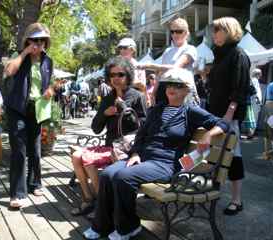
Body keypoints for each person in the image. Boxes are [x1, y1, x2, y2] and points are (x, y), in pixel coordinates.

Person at [83, 68, 229, 240]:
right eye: (169, 84)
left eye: (178, 85)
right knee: (108, 174)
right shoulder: (158, 109)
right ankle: (101, 226)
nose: (171, 88)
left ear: (187, 89)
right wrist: (135, 153)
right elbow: (141, 135)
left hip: (165, 164)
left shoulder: (190, 111)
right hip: (143, 158)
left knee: (123, 177)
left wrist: (208, 135)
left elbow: (223, 124)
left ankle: (129, 227)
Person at [70, 56, 147, 216]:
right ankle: (89, 199)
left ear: (128, 75)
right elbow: (96, 128)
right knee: (77, 155)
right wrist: (104, 113)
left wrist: (123, 107)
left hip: (126, 148)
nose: (116, 78)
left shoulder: (137, 96)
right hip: (109, 145)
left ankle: (102, 205)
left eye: (120, 74)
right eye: (112, 75)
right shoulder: (107, 98)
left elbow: (143, 127)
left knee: (88, 161)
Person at [4, 22, 55, 208]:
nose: (38, 43)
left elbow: (50, 83)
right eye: (35, 40)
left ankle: (35, 183)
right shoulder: (19, 56)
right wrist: (24, 52)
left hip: (37, 108)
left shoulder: (48, 61)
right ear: (27, 40)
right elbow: (9, 72)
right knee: (19, 149)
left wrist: (50, 90)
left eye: (42, 40)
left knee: (35, 148)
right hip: (17, 108)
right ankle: (17, 193)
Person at [207, 17, 251, 215]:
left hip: (228, 116)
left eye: (218, 30)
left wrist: (228, 115)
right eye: (214, 30)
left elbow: (239, 89)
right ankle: (212, 191)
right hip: (215, 113)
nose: (214, 34)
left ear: (229, 31)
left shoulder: (238, 54)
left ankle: (237, 200)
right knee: (214, 155)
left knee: (234, 156)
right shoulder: (220, 54)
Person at [138, 17, 199, 105]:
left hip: (185, 93)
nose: (175, 34)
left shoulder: (190, 49)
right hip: (168, 93)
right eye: (172, 31)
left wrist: (150, 65)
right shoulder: (167, 51)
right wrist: (153, 93)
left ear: (186, 33)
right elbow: (160, 74)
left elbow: (175, 68)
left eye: (179, 31)